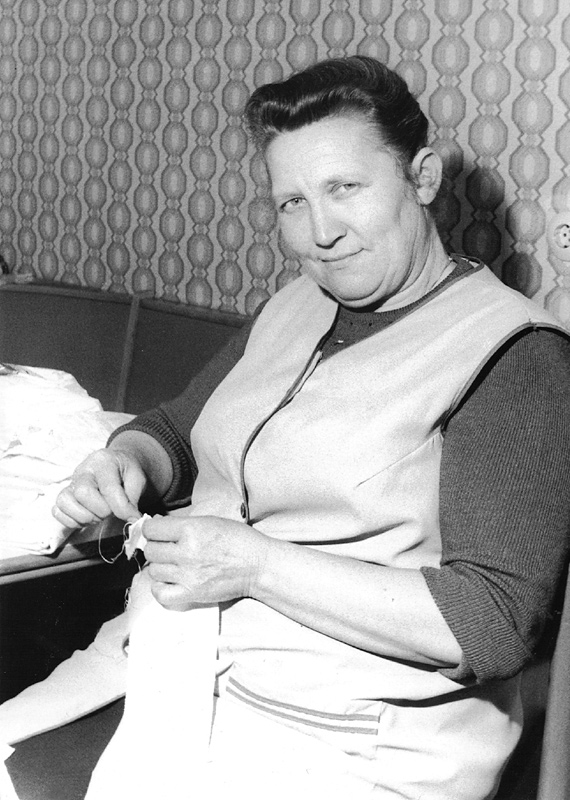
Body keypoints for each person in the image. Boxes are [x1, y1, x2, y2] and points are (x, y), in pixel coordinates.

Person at [13, 56, 570, 798]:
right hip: (183, 662)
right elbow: (179, 429)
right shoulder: (296, 304)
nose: (321, 233)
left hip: (353, 738)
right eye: (292, 203)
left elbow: (493, 624)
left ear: (423, 177)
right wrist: (128, 460)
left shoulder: (515, 354)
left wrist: (256, 567)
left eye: (345, 188)